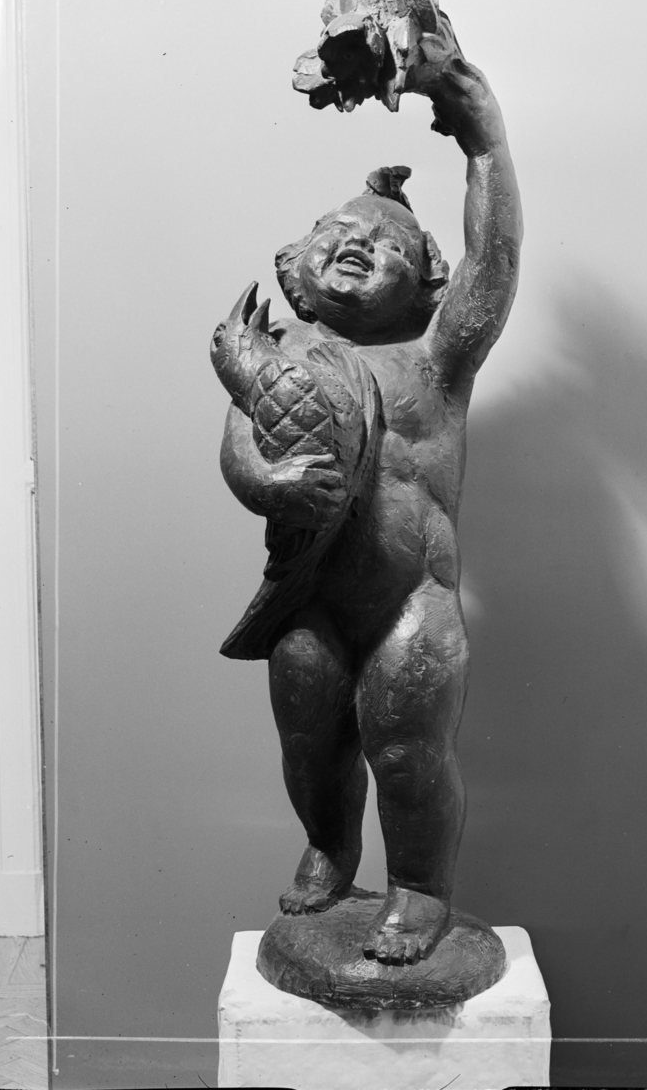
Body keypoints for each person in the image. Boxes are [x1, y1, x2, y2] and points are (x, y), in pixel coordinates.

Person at [217, 48, 522, 967]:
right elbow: (240, 452)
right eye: (338, 232)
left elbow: (493, 261)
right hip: (308, 601)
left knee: (406, 752)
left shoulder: (437, 360)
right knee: (309, 745)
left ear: (426, 285)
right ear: (293, 267)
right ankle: (329, 846)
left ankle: (419, 887)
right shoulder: (279, 362)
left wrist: (483, 139)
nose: (358, 242)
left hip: (409, 601)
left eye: (389, 244)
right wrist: (268, 485)